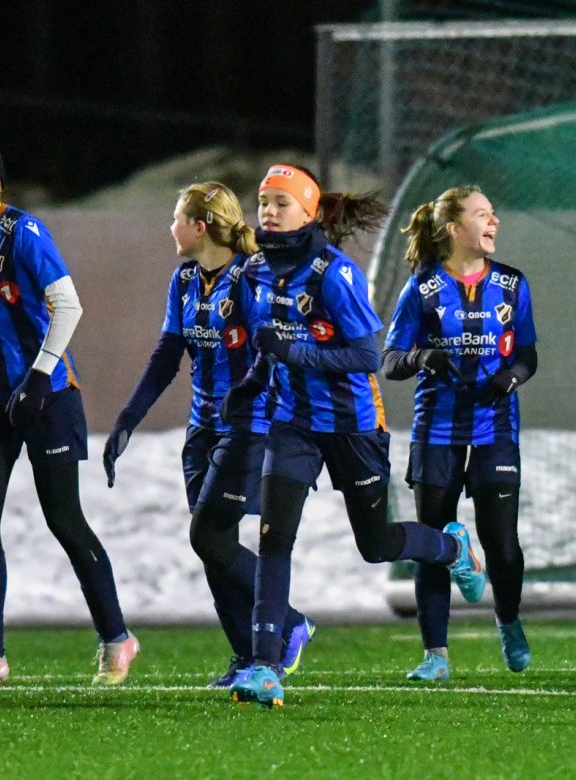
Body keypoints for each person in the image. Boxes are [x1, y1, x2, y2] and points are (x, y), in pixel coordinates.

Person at [224, 164, 487, 708]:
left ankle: (450, 546)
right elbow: (267, 342)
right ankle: (265, 666)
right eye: (264, 201)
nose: (268, 212)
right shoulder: (254, 270)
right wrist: (251, 384)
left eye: (282, 203)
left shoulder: (333, 274)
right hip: (292, 422)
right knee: (273, 537)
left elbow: (367, 357)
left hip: (352, 425)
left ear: (310, 212)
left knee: (375, 544)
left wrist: (294, 353)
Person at [0, 139, 139, 686]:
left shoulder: (26, 232)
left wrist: (40, 375)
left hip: (48, 396)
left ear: (1, 184)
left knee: (64, 519)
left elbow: (69, 305)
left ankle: (118, 638)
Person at [103, 182, 314, 687]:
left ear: (200, 227)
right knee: (213, 544)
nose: (170, 228)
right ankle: (245, 654)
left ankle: (289, 622)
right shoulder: (184, 280)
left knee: (207, 535)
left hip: (249, 427)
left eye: (176, 218)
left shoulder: (249, 277)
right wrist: (128, 418)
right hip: (202, 430)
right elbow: (166, 356)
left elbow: (275, 349)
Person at [382, 185, 538, 681]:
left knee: (503, 544)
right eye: (482, 215)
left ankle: (508, 620)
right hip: (437, 430)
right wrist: (422, 356)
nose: (494, 222)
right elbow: (390, 360)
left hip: (496, 427)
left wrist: (510, 378)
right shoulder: (422, 290)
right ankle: (436, 656)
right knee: (432, 542)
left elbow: (527, 354)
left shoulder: (512, 284)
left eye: (494, 214)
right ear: (453, 229)